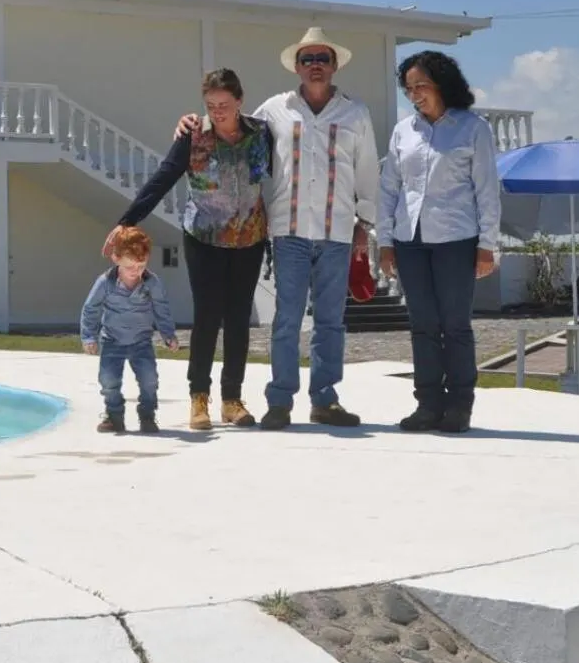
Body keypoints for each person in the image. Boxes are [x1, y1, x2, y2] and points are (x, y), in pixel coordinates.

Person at [175, 27, 379, 430]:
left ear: (334, 65)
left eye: (322, 58)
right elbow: (230, 122)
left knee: (331, 321)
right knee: (286, 318)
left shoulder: (356, 113)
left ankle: (325, 400)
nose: (315, 66)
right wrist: (192, 120)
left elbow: (368, 170)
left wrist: (365, 222)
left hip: (337, 230)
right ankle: (280, 401)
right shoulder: (275, 110)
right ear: (297, 67)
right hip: (288, 231)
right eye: (307, 59)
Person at [104, 68, 273, 431]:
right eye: (211, 105)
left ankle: (232, 399)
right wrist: (127, 220)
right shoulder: (193, 135)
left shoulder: (261, 133)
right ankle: (199, 398)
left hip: (249, 238)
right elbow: (163, 178)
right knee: (208, 315)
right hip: (204, 238)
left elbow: (284, 171)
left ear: (240, 101)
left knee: (239, 318)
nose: (218, 112)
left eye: (224, 105)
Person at [377, 50, 501, 434]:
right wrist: (385, 242)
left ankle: (459, 406)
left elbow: (487, 190)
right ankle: (428, 405)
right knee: (423, 325)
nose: (415, 95)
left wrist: (487, 245)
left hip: (456, 239)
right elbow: (389, 189)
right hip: (409, 240)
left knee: (456, 325)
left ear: (443, 85)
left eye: (422, 86)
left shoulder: (473, 129)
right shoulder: (403, 132)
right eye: (409, 88)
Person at [80, 226, 179, 433]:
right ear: (115, 258)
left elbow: (162, 309)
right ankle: (114, 415)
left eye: (141, 265)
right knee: (108, 381)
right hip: (112, 340)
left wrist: (168, 335)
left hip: (141, 341)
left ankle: (147, 415)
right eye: (130, 266)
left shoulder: (151, 283)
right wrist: (89, 336)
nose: (136, 272)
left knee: (150, 381)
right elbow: (91, 309)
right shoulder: (105, 282)